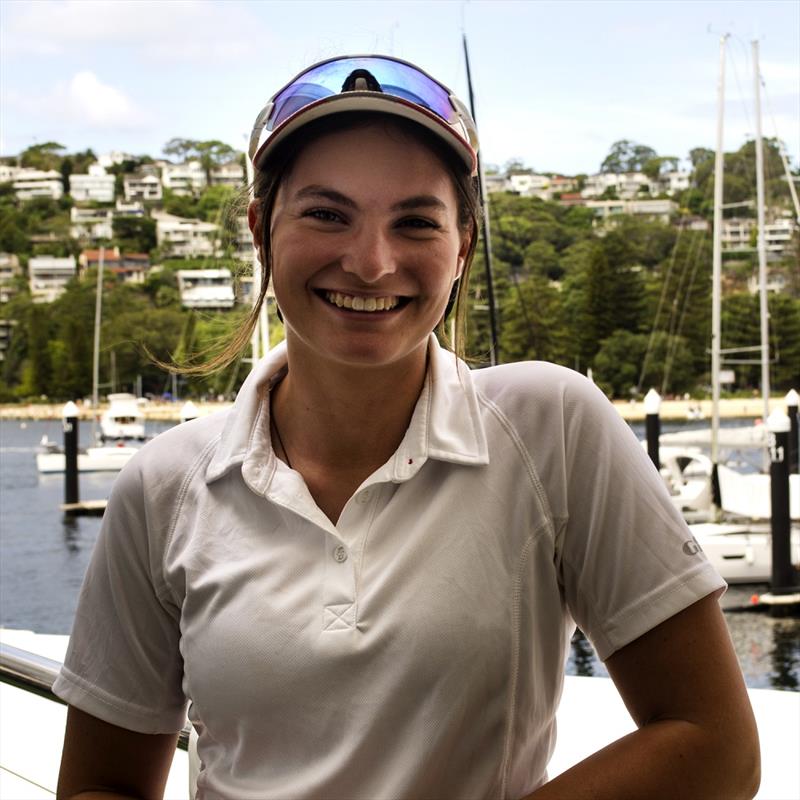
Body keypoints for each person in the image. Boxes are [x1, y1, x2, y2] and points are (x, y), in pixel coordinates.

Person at [55, 55, 759, 800]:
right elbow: (102, 784)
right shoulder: (163, 485)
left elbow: (715, 747)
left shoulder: (552, 427)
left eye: (416, 221)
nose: (370, 262)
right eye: (327, 214)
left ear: (461, 247)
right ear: (261, 229)